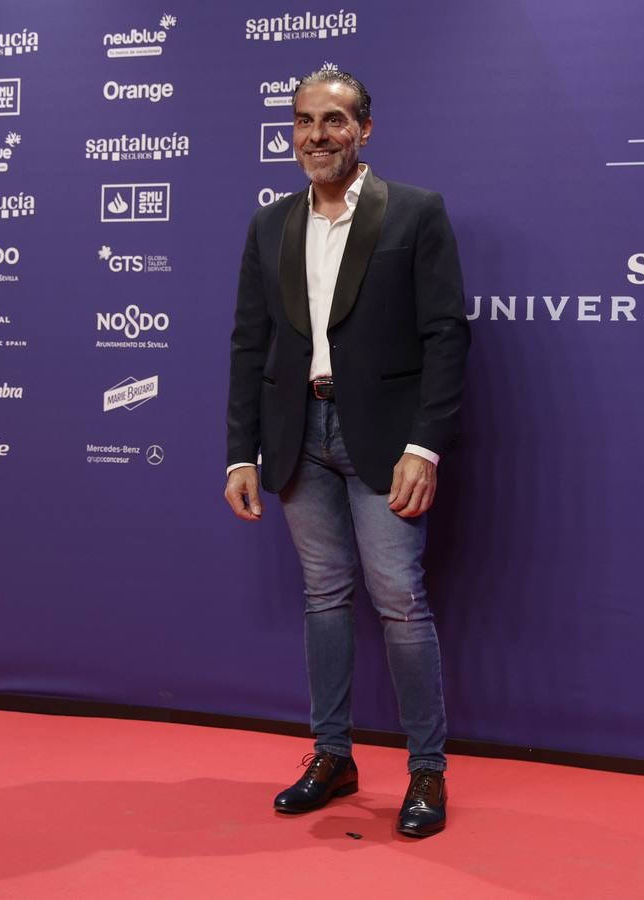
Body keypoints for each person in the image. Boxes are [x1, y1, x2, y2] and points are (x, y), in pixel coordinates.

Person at [224, 68, 469, 837]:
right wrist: (239, 454)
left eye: (332, 119)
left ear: (364, 128)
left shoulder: (416, 213)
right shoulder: (270, 224)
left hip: (387, 441)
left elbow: (445, 336)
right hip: (298, 438)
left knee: (399, 602)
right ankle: (332, 756)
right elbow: (249, 344)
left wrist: (424, 445)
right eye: (302, 120)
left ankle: (425, 770)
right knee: (323, 600)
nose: (315, 135)